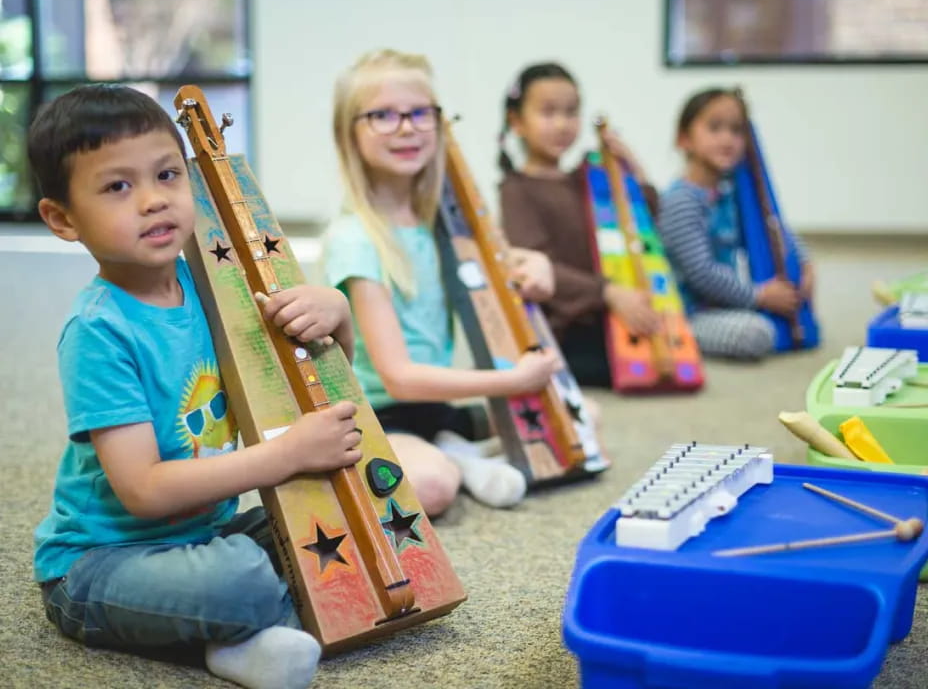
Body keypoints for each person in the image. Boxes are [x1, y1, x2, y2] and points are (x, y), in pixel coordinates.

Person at [29, 84, 361, 689]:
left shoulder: (216, 286)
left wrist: (335, 312)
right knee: (244, 579)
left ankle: (252, 628)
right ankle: (228, 646)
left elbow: (320, 390)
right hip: (103, 562)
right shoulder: (99, 330)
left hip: (207, 532)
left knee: (341, 516)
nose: (153, 201)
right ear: (62, 219)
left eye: (167, 174)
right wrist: (283, 456)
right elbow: (145, 493)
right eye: (118, 186)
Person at [325, 49, 563, 515]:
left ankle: (458, 449)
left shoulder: (439, 226)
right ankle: (459, 458)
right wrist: (508, 382)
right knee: (432, 487)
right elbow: (399, 378)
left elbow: (502, 263)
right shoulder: (354, 239)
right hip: (383, 418)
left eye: (419, 113)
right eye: (383, 116)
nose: (407, 127)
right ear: (349, 133)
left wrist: (536, 264)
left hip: (439, 410)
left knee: (581, 419)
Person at [498, 62, 660, 387]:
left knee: (660, 343)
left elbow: (646, 214)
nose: (562, 124)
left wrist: (629, 164)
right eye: (548, 112)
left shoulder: (587, 178)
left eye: (571, 112)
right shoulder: (516, 190)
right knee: (618, 364)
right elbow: (537, 266)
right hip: (563, 325)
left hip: (605, 315)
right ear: (517, 122)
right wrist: (608, 292)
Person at [658, 87, 814, 359]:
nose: (727, 139)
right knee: (756, 334)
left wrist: (805, 262)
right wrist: (759, 296)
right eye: (715, 128)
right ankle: (671, 336)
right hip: (689, 312)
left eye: (736, 130)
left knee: (780, 324)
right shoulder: (682, 200)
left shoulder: (730, 192)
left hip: (723, 306)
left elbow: (773, 228)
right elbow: (701, 272)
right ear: (684, 140)